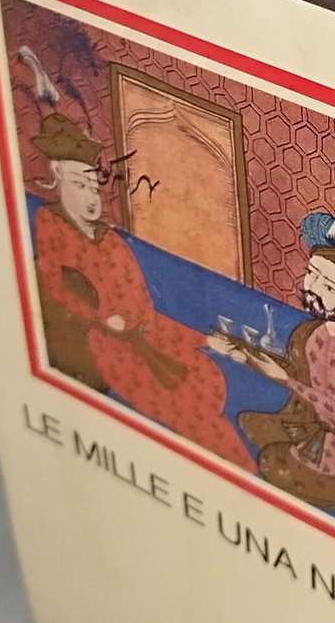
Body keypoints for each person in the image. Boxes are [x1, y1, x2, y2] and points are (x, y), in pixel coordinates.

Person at [31, 113, 255, 473]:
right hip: (105, 349)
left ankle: (238, 474)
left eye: (94, 186)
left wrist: (205, 340)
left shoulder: (112, 242)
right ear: (56, 178)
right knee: (190, 413)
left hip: (149, 342)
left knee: (204, 378)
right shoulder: (50, 226)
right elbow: (53, 288)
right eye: (79, 184)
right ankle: (242, 474)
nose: (90, 197)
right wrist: (100, 319)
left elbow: (145, 315)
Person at [210, 207, 335, 518]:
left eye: (328, 286)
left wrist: (286, 380)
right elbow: (295, 373)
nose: (313, 289)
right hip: (309, 423)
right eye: (312, 274)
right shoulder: (308, 333)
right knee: (249, 424)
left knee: (271, 462)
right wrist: (242, 352)